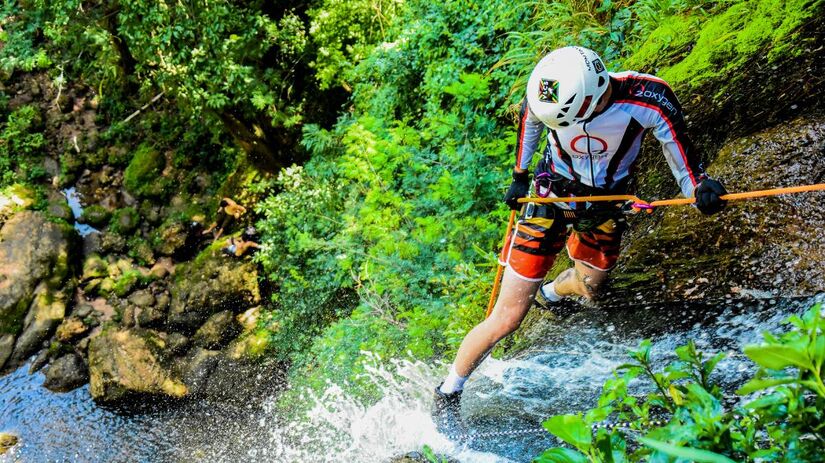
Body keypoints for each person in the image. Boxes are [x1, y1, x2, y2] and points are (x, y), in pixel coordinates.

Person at [431, 46, 728, 434]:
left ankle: (553, 292)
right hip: (549, 197)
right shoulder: (548, 92)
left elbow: (679, 148)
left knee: (592, 285)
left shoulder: (648, 98)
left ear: (590, 99)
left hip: (605, 201)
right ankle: (447, 392)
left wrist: (698, 187)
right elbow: (530, 117)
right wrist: (520, 174)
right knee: (508, 318)